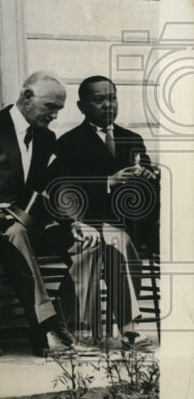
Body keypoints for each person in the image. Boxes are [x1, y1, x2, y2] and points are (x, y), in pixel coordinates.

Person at [0, 71, 76, 356]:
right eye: (50, 107)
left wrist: (73, 221)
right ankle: (44, 328)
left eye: (58, 109)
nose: (55, 116)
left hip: (33, 222)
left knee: (87, 242)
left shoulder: (47, 138)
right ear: (27, 96)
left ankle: (67, 322)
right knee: (16, 232)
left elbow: (55, 185)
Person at [46, 75, 157, 348]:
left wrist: (148, 179)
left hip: (125, 223)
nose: (108, 105)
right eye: (99, 100)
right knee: (105, 244)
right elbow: (63, 189)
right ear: (82, 107)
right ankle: (116, 329)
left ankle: (92, 328)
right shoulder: (69, 143)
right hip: (81, 222)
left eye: (112, 98)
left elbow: (148, 195)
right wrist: (108, 182)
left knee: (118, 240)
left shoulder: (132, 139)